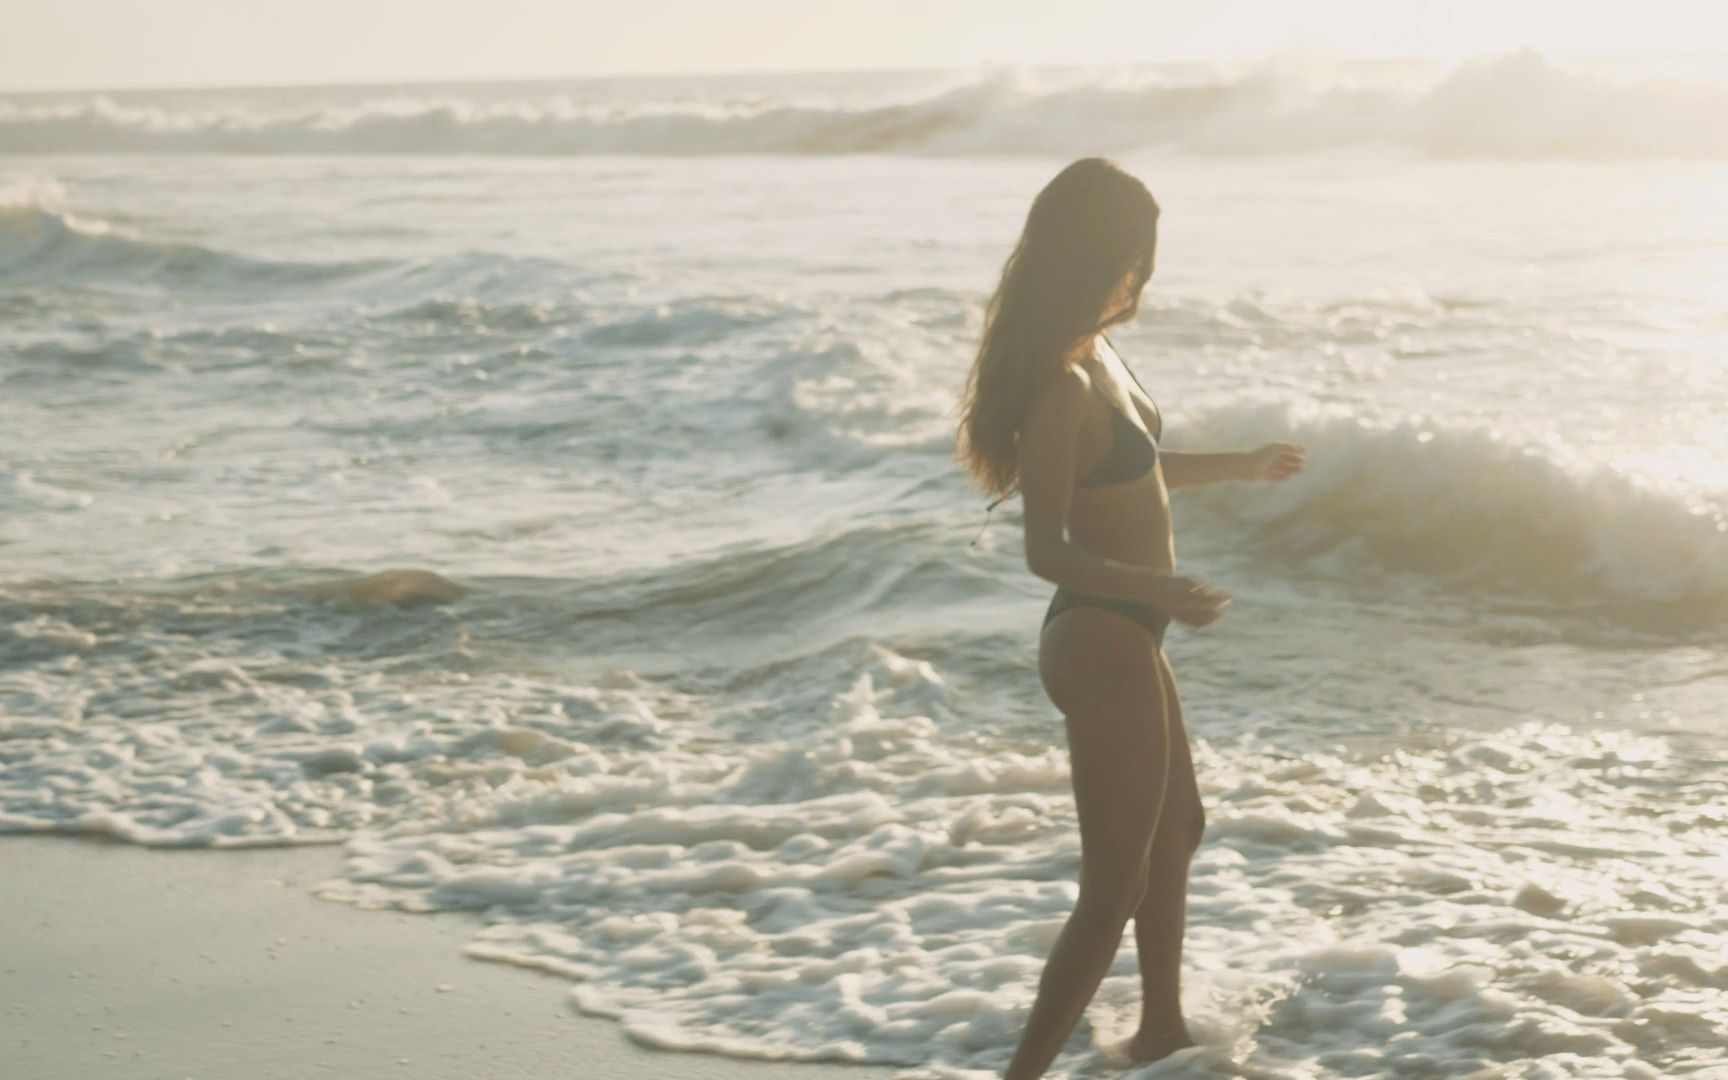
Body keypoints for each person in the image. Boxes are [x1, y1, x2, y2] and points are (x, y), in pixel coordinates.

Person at [953, 157, 1306, 1079]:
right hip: (1099, 631)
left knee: (1177, 828)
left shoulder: (1099, 357)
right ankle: (1022, 1073)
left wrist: (1243, 463)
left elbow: (1138, 470)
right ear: (1095, 254)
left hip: (1126, 629)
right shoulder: (1059, 384)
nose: (1141, 277)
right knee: (1112, 886)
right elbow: (1046, 547)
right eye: (1132, 256)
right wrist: (1160, 591)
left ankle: (1160, 1028)